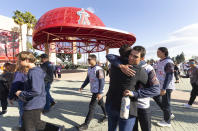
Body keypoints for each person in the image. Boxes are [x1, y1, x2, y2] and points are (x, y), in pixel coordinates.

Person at [106, 46, 160, 131]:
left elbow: (156, 89)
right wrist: (121, 66)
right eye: (131, 55)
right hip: (125, 107)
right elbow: (156, 89)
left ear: (142, 58)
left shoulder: (114, 64)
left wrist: (136, 93)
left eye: (135, 56)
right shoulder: (133, 68)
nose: (131, 57)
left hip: (126, 106)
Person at [15, 51, 64, 131]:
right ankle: (58, 129)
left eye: (20, 60)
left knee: (30, 126)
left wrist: (21, 93)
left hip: (33, 104)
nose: (18, 62)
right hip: (35, 103)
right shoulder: (36, 70)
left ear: (27, 60)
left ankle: (58, 129)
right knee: (36, 124)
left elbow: (36, 91)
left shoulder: (34, 72)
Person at [78, 54, 107, 130]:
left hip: (97, 91)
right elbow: (87, 79)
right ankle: (107, 115)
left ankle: (86, 124)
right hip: (94, 90)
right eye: (88, 59)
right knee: (101, 103)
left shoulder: (98, 69)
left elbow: (102, 81)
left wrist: (100, 92)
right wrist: (82, 86)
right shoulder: (90, 68)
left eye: (89, 59)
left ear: (94, 60)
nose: (88, 60)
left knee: (92, 107)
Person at [153, 47, 175, 127]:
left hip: (166, 86)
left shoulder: (169, 62)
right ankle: (169, 114)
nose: (157, 53)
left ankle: (167, 121)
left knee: (166, 103)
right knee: (156, 97)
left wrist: (164, 88)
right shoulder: (159, 61)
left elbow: (169, 76)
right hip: (159, 85)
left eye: (158, 52)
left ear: (164, 52)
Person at [9, 62, 29, 129]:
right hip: (31, 96)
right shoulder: (31, 72)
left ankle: (22, 126)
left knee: (22, 112)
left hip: (22, 95)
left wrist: (11, 97)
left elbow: (14, 86)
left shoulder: (19, 73)